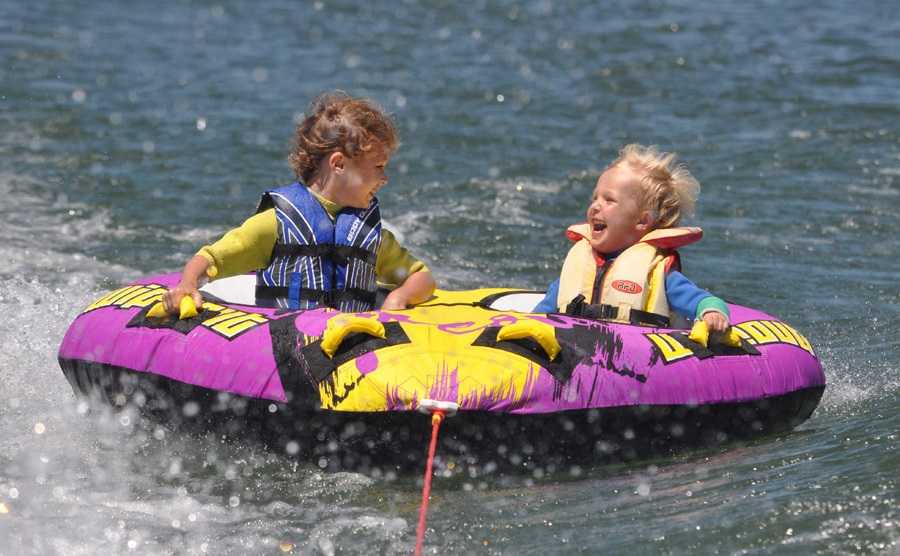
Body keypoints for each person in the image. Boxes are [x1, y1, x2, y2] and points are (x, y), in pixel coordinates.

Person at [161, 91, 435, 314]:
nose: (385, 177)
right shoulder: (277, 223)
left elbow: (421, 277)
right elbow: (209, 259)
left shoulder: (369, 237)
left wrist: (398, 298)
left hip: (354, 346)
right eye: (378, 166)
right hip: (287, 345)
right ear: (338, 164)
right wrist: (187, 284)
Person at [533, 144, 730, 333]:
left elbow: (702, 301)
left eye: (609, 200)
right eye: (595, 198)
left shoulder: (657, 272)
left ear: (642, 220)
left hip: (633, 353)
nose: (595, 206)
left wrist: (712, 312)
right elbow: (538, 317)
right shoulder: (580, 265)